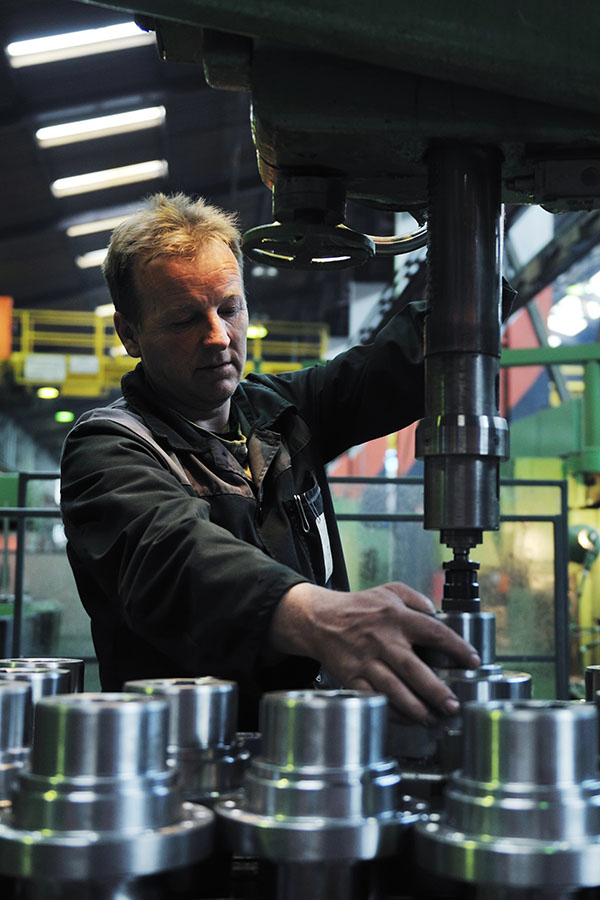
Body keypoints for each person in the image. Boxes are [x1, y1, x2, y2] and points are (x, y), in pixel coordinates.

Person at [60, 192, 481, 730]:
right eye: (184, 319)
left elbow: (392, 368)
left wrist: (476, 253)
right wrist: (320, 616)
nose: (217, 337)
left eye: (229, 308)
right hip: (181, 757)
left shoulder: (280, 413)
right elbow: (175, 558)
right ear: (129, 334)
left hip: (309, 740)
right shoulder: (109, 450)